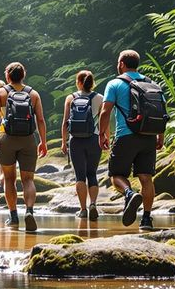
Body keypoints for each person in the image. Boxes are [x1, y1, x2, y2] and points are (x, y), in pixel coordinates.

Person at [99, 49, 161, 230]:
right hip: (148, 136)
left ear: (121, 64)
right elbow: (160, 112)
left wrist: (102, 133)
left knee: (116, 176)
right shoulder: (152, 83)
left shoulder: (115, 84)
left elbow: (105, 111)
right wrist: (159, 136)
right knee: (146, 178)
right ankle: (147, 220)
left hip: (125, 136)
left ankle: (128, 193)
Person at [0, 62, 47, 231]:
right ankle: (29, 211)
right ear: (23, 76)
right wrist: (43, 141)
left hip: (7, 138)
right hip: (28, 139)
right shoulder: (33, 94)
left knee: (8, 179)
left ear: (7, 76)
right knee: (28, 179)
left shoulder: (1, 92)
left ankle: (13, 216)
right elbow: (40, 120)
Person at [61, 70, 104, 221]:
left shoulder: (70, 98)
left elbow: (65, 122)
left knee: (80, 175)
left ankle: (83, 209)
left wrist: (63, 141)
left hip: (76, 140)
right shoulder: (100, 98)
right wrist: (105, 138)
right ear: (92, 83)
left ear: (78, 82)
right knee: (92, 173)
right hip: (94, 138)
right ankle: (93, 204)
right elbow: (103, 121)